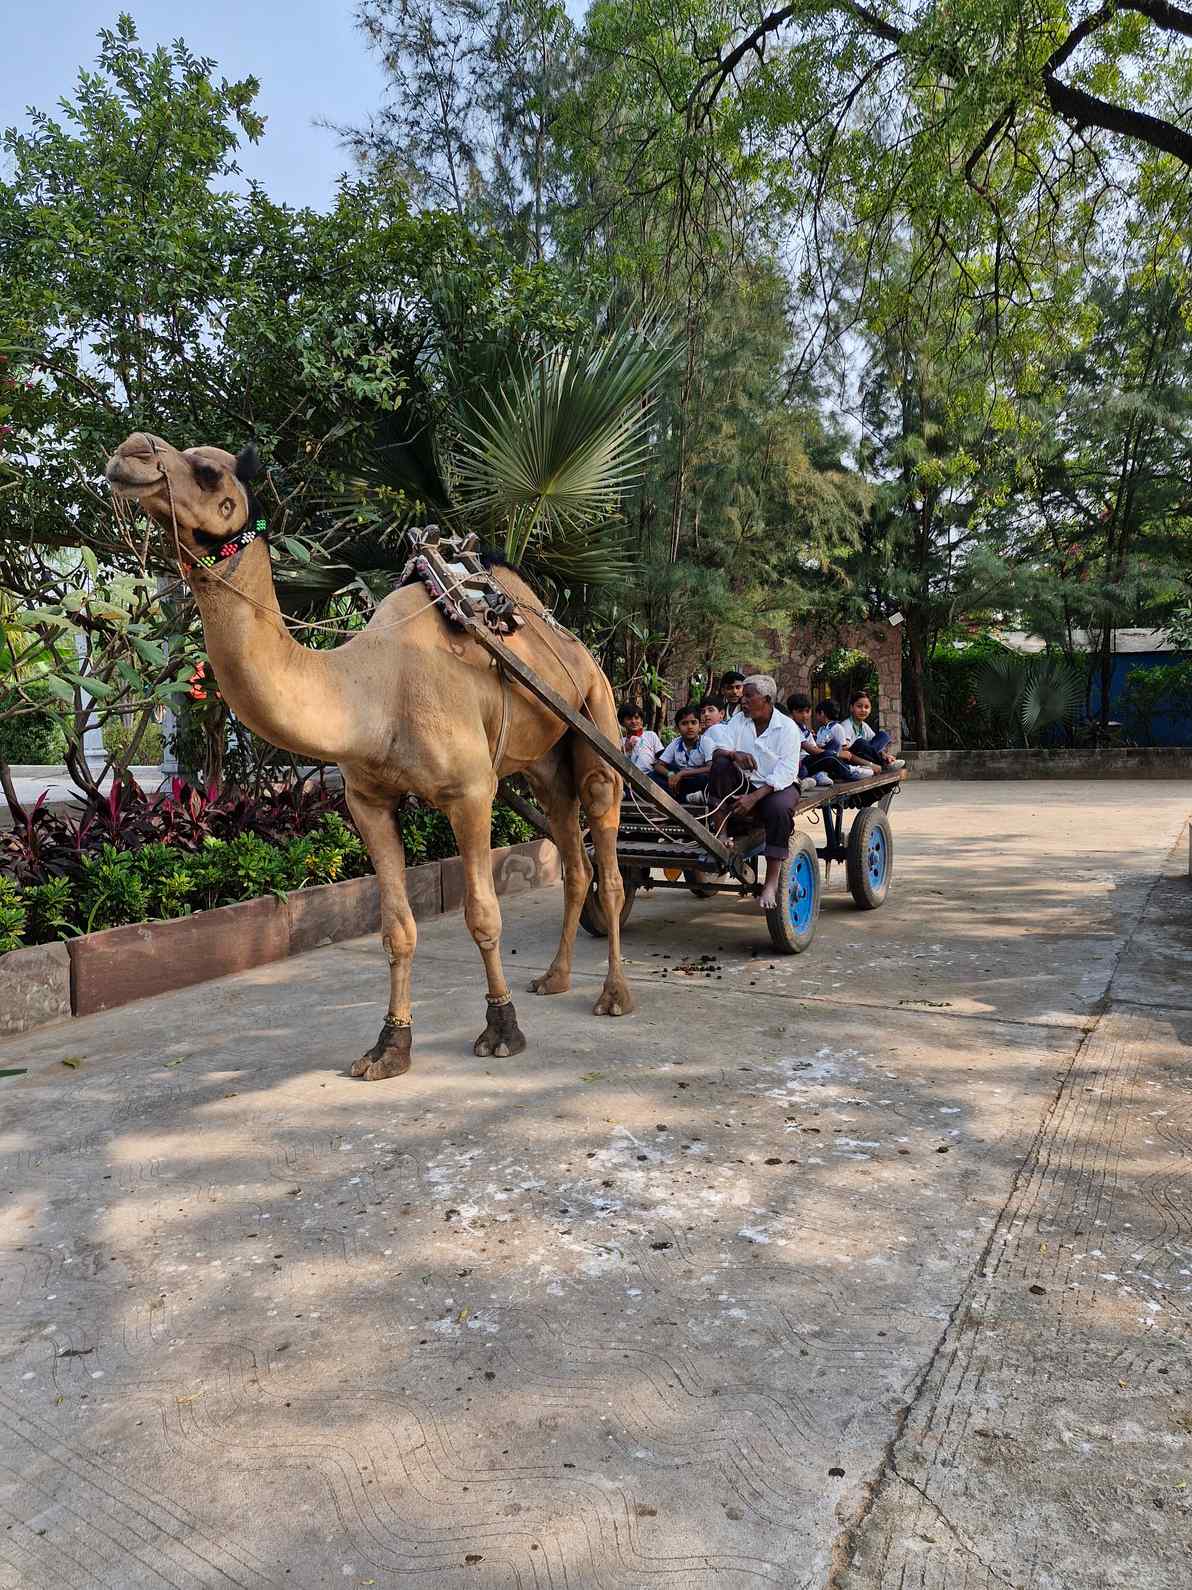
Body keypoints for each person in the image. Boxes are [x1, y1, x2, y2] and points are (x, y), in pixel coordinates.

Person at [704, 674, 805, 911]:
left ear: (766, 699)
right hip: (745, 784)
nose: (743, 700)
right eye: (743, 696)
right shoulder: (739, 721)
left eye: (749, 696)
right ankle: (722, 832)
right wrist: (732, 754)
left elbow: (786, 772)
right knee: (720, 764)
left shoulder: (787, 727)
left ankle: (770, 883)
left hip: (777, 786)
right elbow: (716, 749)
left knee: (779, 809)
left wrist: (755, 797)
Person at [785, 691, 854, 785]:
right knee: (829, 756)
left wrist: (826, 749)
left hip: (809, 759)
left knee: (834, 744)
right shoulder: (792, 726)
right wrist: (837, 754)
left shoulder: (803, 727)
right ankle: (850, 772)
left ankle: (821, 774)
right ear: (791, 712)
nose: (805, 715)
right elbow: (811, 750)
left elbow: (815, 747)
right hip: (800, 763)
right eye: (800, 712)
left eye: (807, 711)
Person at [652, 702, 710, 800]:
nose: (690, 727)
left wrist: (683, 773)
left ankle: (684, 797)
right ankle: (688, 798)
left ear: (700, 726)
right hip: (680, 781)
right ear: (677, 728)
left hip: (698, 779)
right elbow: (658, 765)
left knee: (707, 780)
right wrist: (670, 775)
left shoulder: (706, 742)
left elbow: (711, 768)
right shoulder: (676, 743)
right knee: (653, 776)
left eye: (693, 722)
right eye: (684, 723)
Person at [837, 689, 904, 770]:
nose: (863, 710)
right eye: (859, 706)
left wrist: (885, 755)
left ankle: (886, 760)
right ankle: (885, 763)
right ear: (851, 708)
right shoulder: (846, 725)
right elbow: (845, 751)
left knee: (884, 736)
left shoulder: (864, 726)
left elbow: (874, 746)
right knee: (861, 742)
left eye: (866, 707)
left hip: (866, 755)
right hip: (852, 759)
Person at [813, 699, 873, 778]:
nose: (816, 717)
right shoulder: (821, 729)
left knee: (834, 744)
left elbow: (843, 748)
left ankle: (852, 770)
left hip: (836, 758)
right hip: (825, 758)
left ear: (822, 713)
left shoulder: (837, 728)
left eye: (817, 714)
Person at [618, 703, 663, 772]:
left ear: (641, 721)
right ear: (622, 722)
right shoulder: (620, 742)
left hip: (652, 776)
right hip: (631, 778)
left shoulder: (650, 735)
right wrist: (625, 749)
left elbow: (662, 757)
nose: (633, 721)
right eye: (629, 719)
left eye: (636, 718)